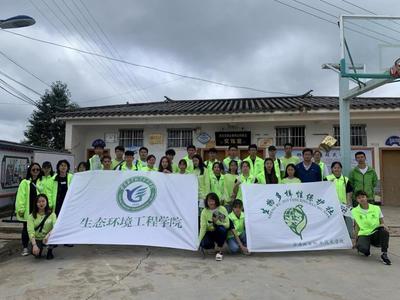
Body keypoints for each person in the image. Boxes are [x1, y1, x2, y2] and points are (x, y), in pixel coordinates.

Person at [352, 191, 391, 265]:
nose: (361, 199)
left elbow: (382, 222)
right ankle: (366, 248)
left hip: (375, 232)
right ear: (357, 200)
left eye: (363, 197)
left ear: (367, 198)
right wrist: (355, 240)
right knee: (362, 248)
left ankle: (384, 254)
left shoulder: (376, 208)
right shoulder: (354, 211)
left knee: (384, 231)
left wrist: (384, 225)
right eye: (359, 198)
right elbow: (356, 226)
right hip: (364, 233)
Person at [15, 163, 44, 256]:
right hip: (28, 210)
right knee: (26, 229)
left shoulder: (42, 182)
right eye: (33, 170)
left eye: (37, 170)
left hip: (39, 209)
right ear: (30, 171)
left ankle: (35, 246)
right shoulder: (25, 182)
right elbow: (21, 196)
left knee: (38, 228)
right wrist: (21, 209)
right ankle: (25, 248)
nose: (35, 171)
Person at [325, 161, 353, 237]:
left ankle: (341, 237)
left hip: (342, 205)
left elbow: (349, 192)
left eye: (338, 167)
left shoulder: (345, 179)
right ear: (332, 169)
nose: (337, 169)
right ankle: (331, 237)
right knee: (331, 221)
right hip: (330, 204)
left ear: (341, 169)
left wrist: (348, 202)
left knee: (342, 222)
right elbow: (323, 191)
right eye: (335, 168)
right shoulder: (327, 178)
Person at [199, 193, 230, 261]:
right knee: (204, 243)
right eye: (209, 201)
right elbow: (203, 228)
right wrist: (199, 241)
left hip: (219, 231)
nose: (211, 203)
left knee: (222, 229)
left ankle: (219, 248)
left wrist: (217, 222)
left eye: (213, 200)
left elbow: (227, 225)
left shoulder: (222, 209)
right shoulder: (204, 211)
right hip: (209, 232)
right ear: (206, 202)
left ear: (216, 201)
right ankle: (212, 246)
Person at [27, 194, 57, 260]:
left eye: (43, 201)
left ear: (46, 202)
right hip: (37, 238)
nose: (41, 203)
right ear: (36, 203)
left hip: (48, 237)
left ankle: (49, 251)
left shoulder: (52, 214)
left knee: (53, 238)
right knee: (32, 251)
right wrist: (34, 245)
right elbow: (30, 231)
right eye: (39, 202)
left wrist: (48, 235)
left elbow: (56, 227)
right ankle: (39, 249)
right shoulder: (31, 216)